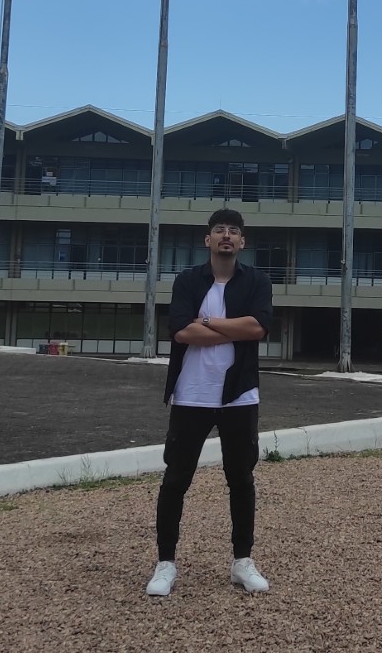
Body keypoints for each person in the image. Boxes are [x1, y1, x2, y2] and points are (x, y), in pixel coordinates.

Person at [146, 208, 275, 597]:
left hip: (239, 395)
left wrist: (207, 323)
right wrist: (229, 329)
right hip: (192, 394)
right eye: (218, 230)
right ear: (207, 240)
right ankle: (165, 563)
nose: (225, 236)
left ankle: (242, 562)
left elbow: (257, 327)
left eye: (233, 231)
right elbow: (181, 332)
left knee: (241, 479)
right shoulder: (188, 280)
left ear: (242, 242)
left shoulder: (256, 280)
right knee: (175, 480)